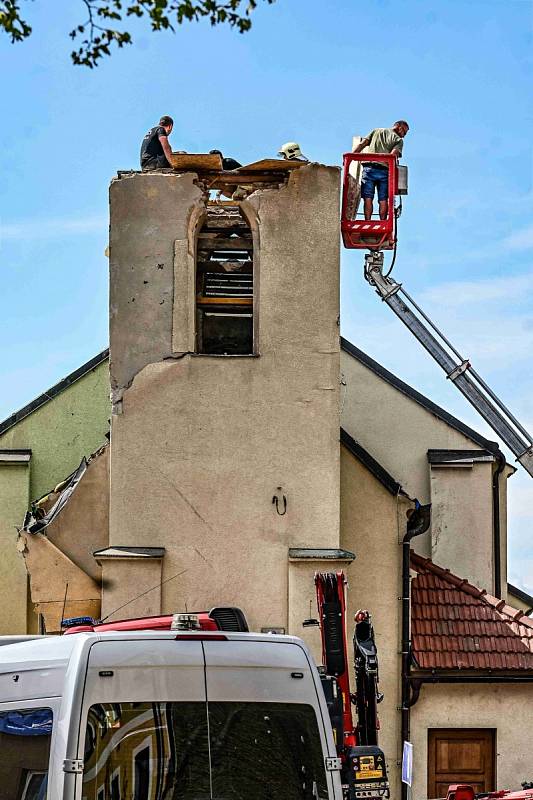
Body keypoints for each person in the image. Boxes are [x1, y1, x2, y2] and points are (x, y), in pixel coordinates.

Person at [353, 121, 409, 220]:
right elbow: (393, 155)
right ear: (399, 127)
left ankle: (368, 221)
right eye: (404, 132)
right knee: (383, 199)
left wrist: (352, 155)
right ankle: (383, 221)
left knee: (368, 198)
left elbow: (363, 143)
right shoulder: (398, 140)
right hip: (384, 171)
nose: (404, 136)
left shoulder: (376, 131)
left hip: (369, 168)